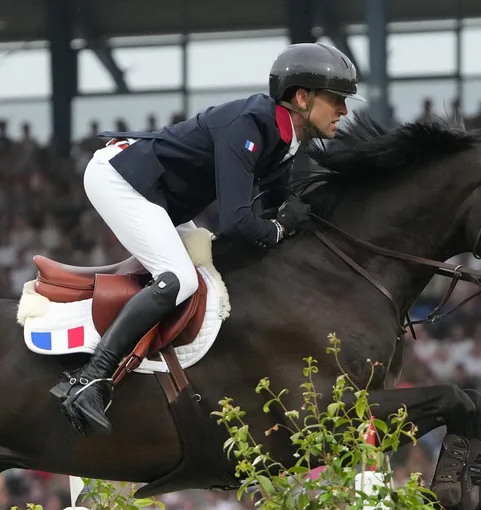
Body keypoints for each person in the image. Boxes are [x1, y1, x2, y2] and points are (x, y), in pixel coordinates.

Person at [52, 41, 362, 436]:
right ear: (302, 98)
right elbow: (237, 223)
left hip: (159, 194)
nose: (344, 111)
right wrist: (281, 228)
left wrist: (292, 222)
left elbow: (271, 212)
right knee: (178, 280)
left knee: (206, 278)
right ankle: (89, 378)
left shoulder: (286, 140)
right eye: (336, 99)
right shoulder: (249, 126)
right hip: (122, 179)